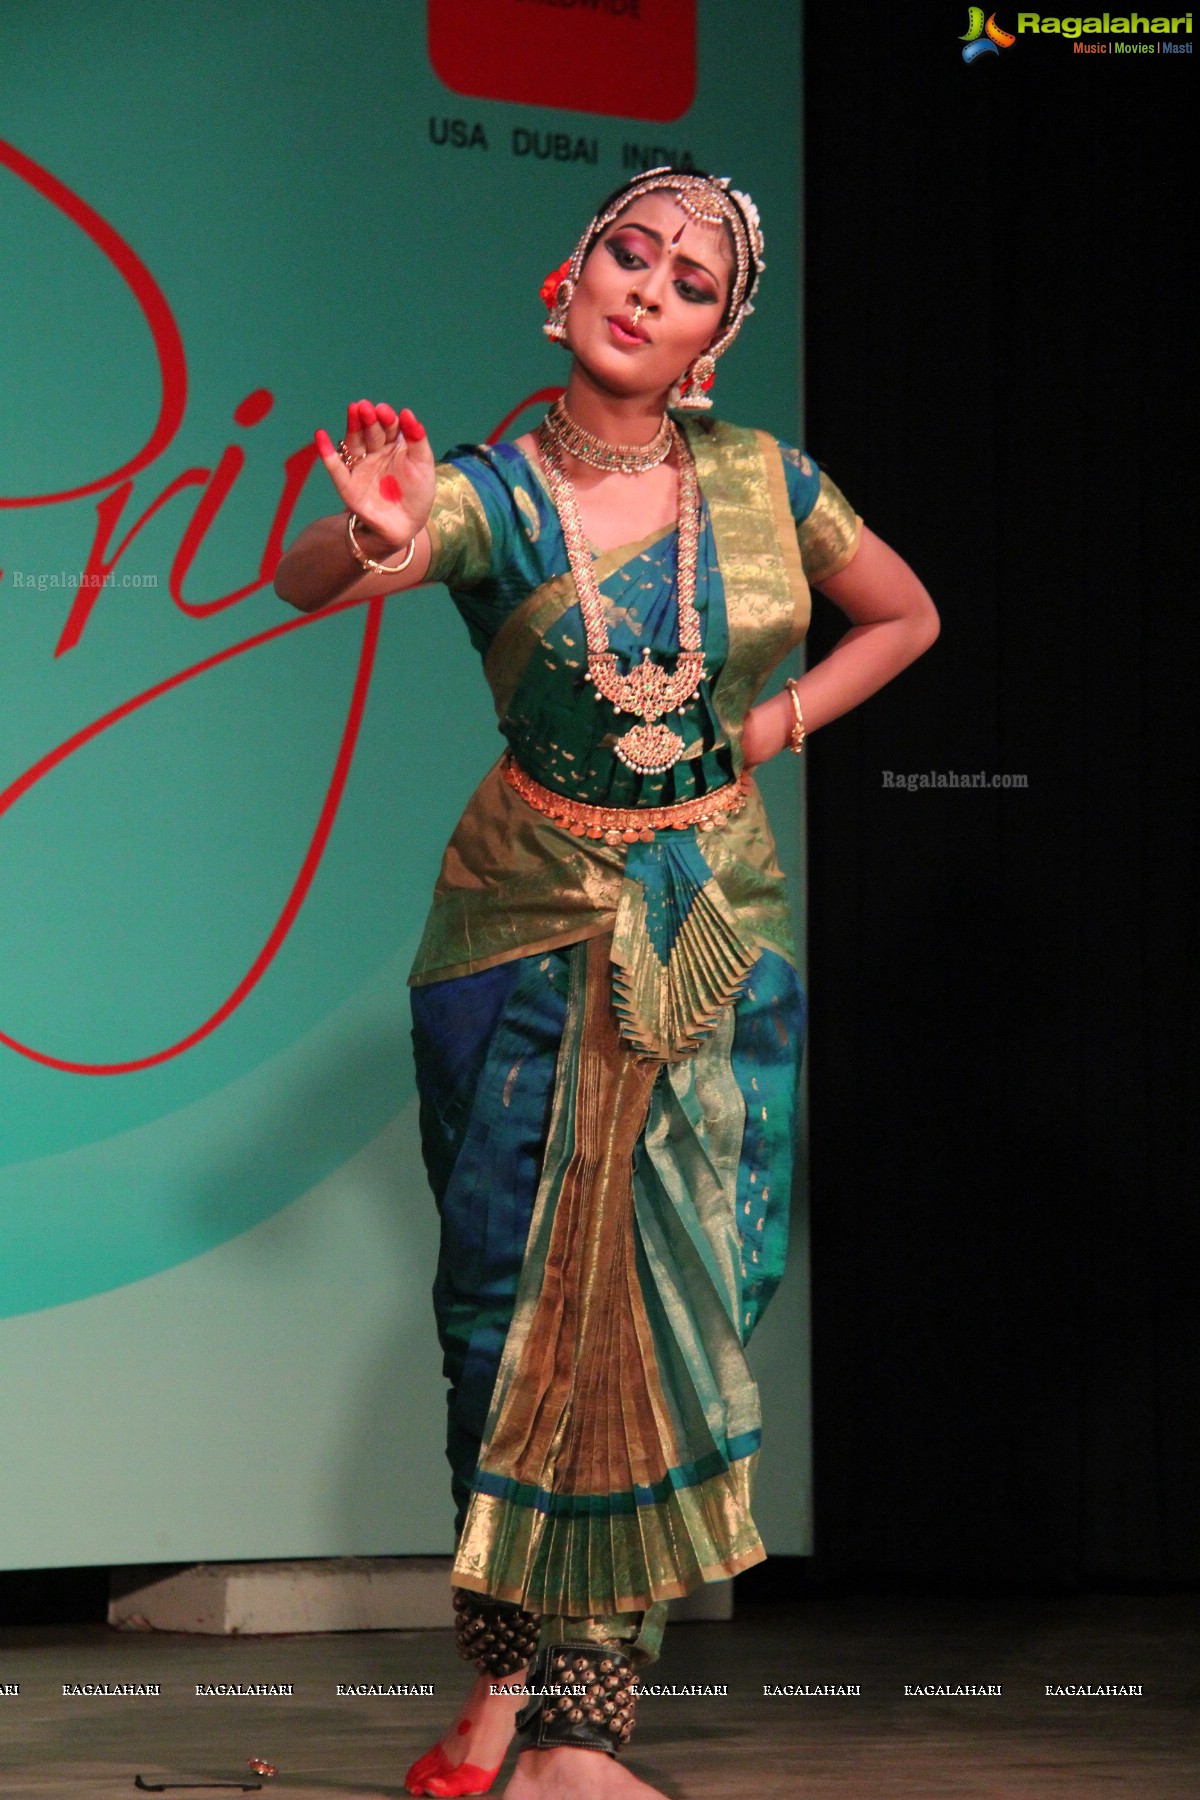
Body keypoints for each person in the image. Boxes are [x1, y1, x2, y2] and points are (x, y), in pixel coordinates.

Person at [274, 167, 939, 1800]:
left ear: (712, 341)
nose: (650, 287)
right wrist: (358, 537)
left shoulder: (770, 484)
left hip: (714, 926)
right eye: (626, 255)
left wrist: (771, 730)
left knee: (672, 1315)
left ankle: (578, 1730)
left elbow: (905, 616)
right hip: (522, 931)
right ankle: (518, 1698)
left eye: (691, 282)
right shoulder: (492, 493)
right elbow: (313, 580)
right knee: (509, 1329)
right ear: (561, 291)